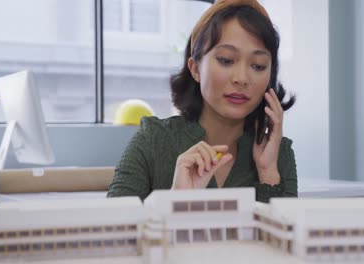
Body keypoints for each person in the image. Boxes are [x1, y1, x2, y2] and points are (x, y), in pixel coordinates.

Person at [107, 0, 297, 203]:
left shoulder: (278, 153)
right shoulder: (153, 140)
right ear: (195, 69)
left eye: (258, 66)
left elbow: (285, 234)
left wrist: (267, 173)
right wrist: (174, 202)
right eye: (226, 60)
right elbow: (111, 229)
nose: (241, 78)